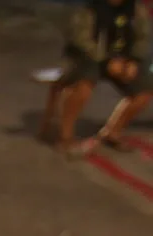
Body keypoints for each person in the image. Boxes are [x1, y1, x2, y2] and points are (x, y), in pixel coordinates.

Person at [49, 0, 152, 155]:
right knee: (84, 84)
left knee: (145, 88)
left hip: (122, 58)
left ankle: (113, 131)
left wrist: (133, 60)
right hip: (87, 56)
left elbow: (142, 37)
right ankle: (65, 137)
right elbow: (80, 39)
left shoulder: (136, 9)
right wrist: (107, 61)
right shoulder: (89, 7)